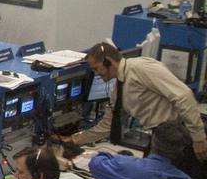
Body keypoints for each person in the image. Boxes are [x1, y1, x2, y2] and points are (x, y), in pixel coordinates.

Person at [70, 42, 207, 159]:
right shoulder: (118, 88)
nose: (96, 73)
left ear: (107, 61)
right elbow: (108, 125)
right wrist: (74, 140)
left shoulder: (141, 68)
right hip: (160, 138)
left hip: (179, 138)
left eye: (96, 68)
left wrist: (198, 138)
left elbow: (183, 96)